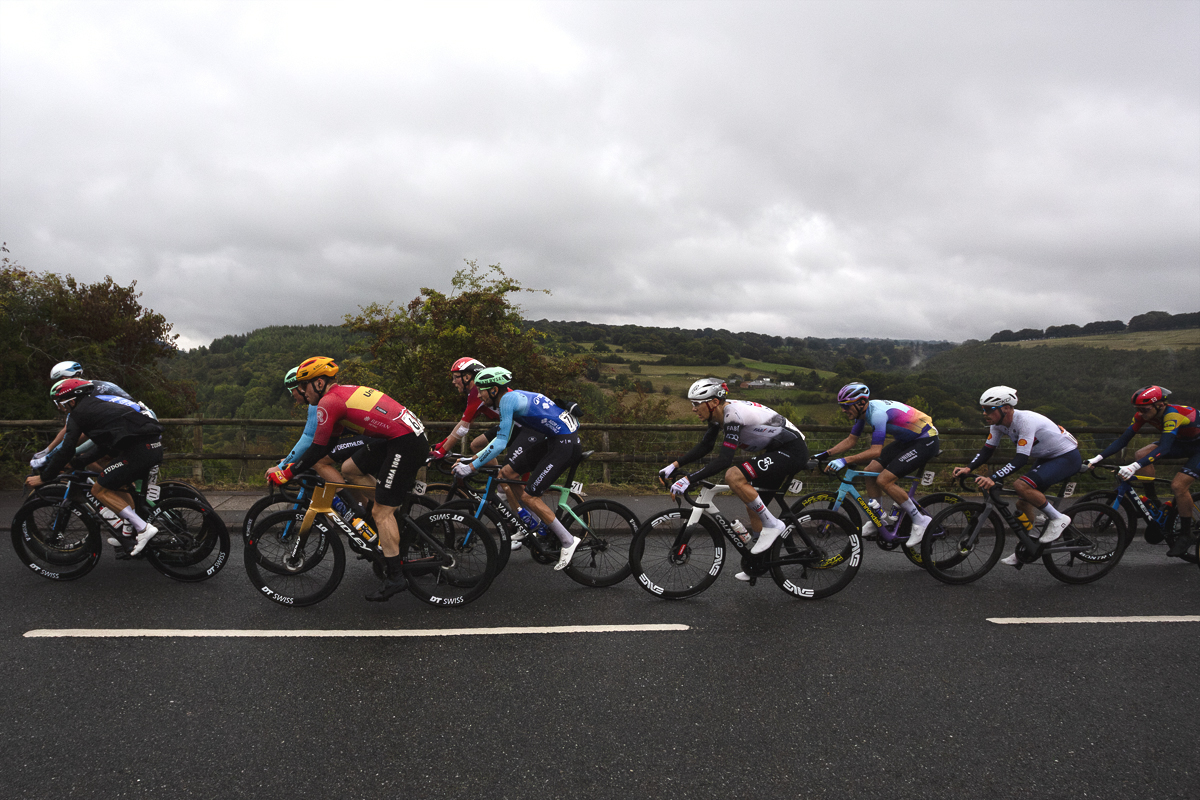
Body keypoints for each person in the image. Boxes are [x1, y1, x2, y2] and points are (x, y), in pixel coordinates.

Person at [266, 357, 430, 602]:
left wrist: (286, 472)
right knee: (350, 468)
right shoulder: (338, 395)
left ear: (319, 383)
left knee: (382, 511)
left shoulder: (329, 402)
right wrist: (291, 468)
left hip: (404, 443)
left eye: (303, 386)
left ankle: (396, 576)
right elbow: (327, 445)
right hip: (398, 437)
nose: (300, 392)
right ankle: (383, 511)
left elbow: (316, 447)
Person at [658, 378, 809, 580]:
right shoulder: (718, 415)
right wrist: (674, 465)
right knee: (752, 502)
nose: (693, 409)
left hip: (792, 450)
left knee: (734, 476)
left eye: (696, 403)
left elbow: (724, 460)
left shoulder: (732, 415)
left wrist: (689, 479)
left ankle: (773, 526)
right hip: (776, 450)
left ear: (712, 402)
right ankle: (759, 560)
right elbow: (705, 447)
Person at [449, 367, 583, 570]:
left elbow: (501, 443)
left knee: (530, 496)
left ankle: (568, 540)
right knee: (509, 473)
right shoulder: (512, 397)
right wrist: (471, 460)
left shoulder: (507, 402)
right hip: (555, 438)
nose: (479, 395)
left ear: (494, 390)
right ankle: (536, 524)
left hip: (564, 443)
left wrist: (472, 467)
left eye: (482, 391)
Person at [25, 379, 165, 556]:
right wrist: (78, 462)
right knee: (117, 486)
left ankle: (143, 529)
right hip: (150, 447)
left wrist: (44, 477)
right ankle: (128, 533)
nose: (61, 409)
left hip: (139, 451)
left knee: (99, 489)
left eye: (60, 404)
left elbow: (67, 447)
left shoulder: (79, 414)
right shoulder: (96, 408)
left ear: (72, 401)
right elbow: (104, 446)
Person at [952, 386, 1081, 566]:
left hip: (1066, 457)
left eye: (989, 409)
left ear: (1006, 408)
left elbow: (1021, 459)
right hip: (1047, 457)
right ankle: (1031, 545)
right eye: (983, 409)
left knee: (1021, 486)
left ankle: (1058, 518)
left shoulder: (1025, 421)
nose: (984, 413)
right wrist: (969, 467)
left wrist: (993, 477)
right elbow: (988, 449)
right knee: (1022, 502)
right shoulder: (997, 424)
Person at [816, 383, 940, 546]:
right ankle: (878, 520)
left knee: (884, 480)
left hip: (926, 441)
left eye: (846, 406)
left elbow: (876, 451)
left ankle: (921, 521)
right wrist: (826, 454)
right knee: (871, 470)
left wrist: (845, 460)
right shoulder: (862, 414)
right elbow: (851, 440)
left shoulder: (877, 414)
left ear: (861, 403)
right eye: (841, 406)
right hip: (907, 441)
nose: (843, 410)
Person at [1085, 385, 1198, 557]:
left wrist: (1134, 467)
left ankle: (1185, 534)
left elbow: (1166, 448)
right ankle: (1153, 501)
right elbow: (1123, 439)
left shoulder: (1173, 415)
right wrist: (1097, 458)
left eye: (1144, 409)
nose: (1141, 413)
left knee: (1178, 486)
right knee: (1141, 453)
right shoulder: (1144, 414)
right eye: (1137, 409)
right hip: (1184, 442)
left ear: (1159, 405)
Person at [31, 361, 139, 470]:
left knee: (78, 455)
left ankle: (111, 482)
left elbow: (80, 435)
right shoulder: (88, 387)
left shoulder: (84, 394)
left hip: (130, 427)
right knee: (82, 456)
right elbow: (68, 428)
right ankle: (112, 481)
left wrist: (49, 457)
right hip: (129, 424)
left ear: (63, 378)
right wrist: (47, 451)